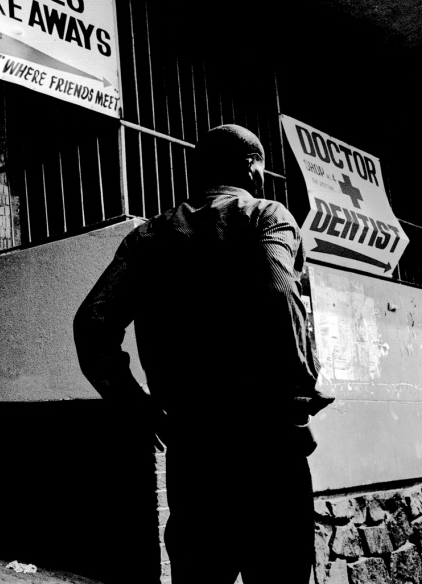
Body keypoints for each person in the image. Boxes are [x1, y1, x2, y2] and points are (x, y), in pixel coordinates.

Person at [73, 124, 333, 583]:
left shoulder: (149, 237)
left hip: (193, 444)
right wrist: (300, 392)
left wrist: (140, 410)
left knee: (200, 573)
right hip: (268, 441)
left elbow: (92, 323)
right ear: (252, 166)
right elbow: (278, 293)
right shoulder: (266, 215)